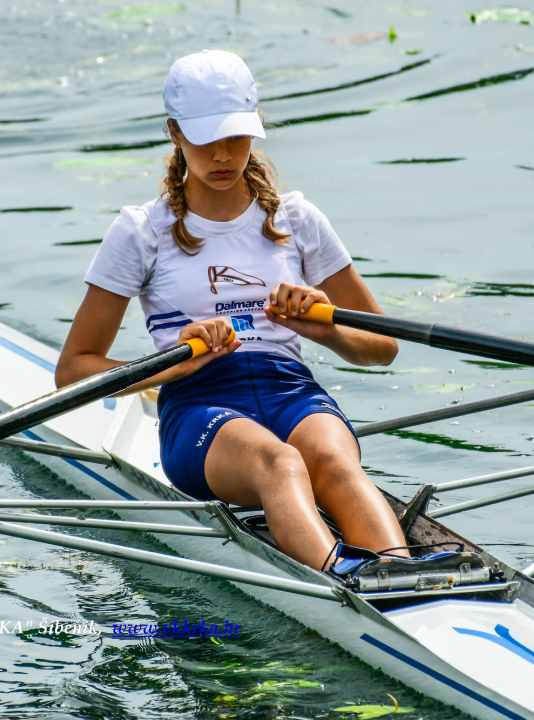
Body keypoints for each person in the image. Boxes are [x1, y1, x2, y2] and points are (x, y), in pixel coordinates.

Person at [55, 50, 408, 571]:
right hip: (200, 405)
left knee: (334, 461)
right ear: (174, 133)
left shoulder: (299, 219)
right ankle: (345, 580)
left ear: (255, 128)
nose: (222, 154)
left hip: (291, 389)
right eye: (204, 138)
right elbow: (74, 370)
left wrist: (325, 327)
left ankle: (401, 572)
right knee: (281, 463)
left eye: (237, 137)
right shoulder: (141, 232)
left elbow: (383, 347)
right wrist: (172, 364)